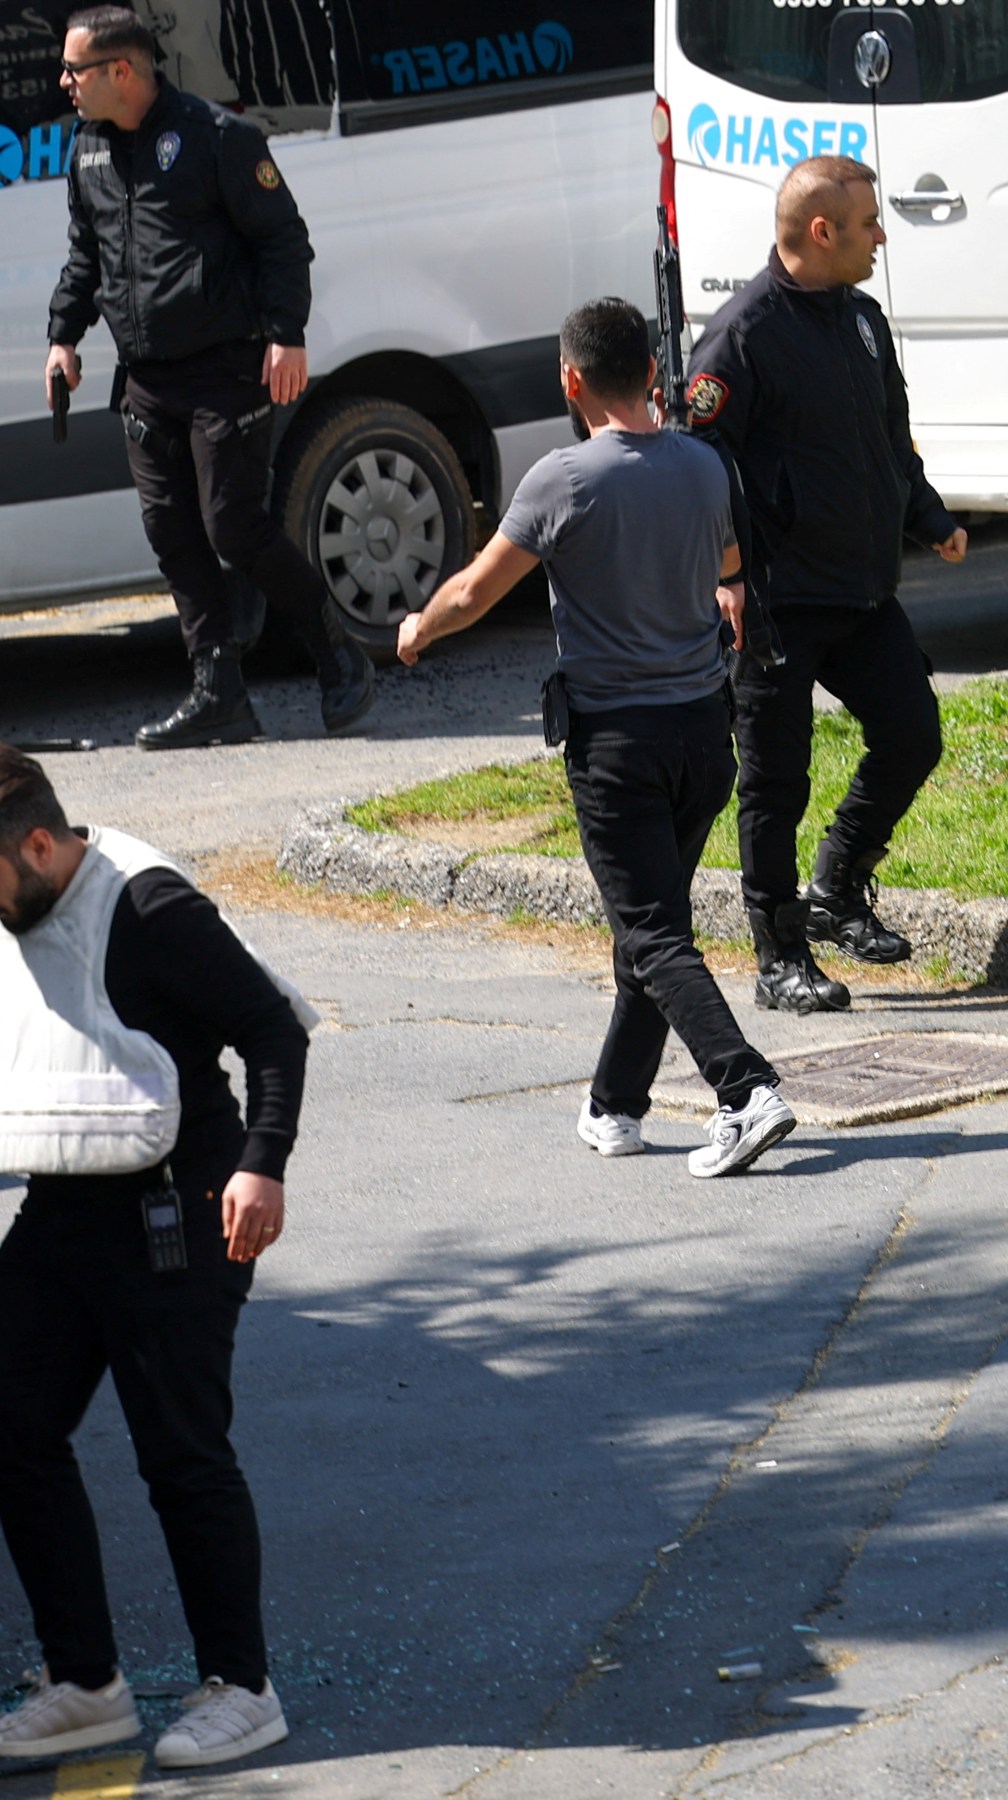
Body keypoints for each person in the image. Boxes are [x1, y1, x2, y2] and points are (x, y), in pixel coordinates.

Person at [397, 299, 796, 1179]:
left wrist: (418, 627)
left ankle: (745, 1090)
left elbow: (474, 592)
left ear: (569, 380)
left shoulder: (563, 480)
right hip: (704, 736)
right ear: (653, 372)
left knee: (652, 933)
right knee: (650, 929)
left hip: (618, 745)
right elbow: (729, 570)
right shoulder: (704, 465)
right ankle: (615, 1105)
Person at [0, 742, 308, 1766]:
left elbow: (273, 1030)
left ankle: (243, 1687)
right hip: (62, 1204)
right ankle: (84, 1682)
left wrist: (262, 1165)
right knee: (12, 1424)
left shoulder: (148, 906)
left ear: (37, 845)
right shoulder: (18, 910)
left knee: (180, 1454)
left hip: (180, 1208)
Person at [43, 5, 373, 752]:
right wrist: (64, 336)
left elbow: (283, 240)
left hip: (226, 370)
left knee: (234, 526)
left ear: (121, 70)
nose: (63, 81)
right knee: (172, 533)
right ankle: (218, 694)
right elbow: (86, 253)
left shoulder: (218, 137)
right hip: (145, 380)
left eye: (74, 69)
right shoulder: (88, 147)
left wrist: (286, 334)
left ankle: (336, 648)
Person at [685, 156, 968, 1014]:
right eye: (869, 222)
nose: (881, 236)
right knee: (775, 783)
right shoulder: (740, 337)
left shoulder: (863, 321)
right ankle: (779, 957)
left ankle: (838, 889)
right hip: (776, 602)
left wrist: (930, 518)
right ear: (822, 231)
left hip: (861, 590)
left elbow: (891, 440)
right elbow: (699, 466)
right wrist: (729, 574)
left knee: (913, 736)